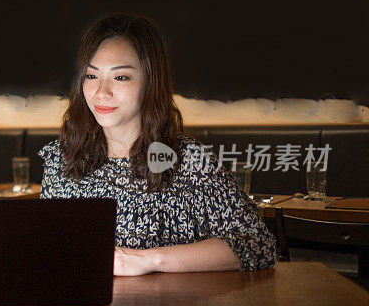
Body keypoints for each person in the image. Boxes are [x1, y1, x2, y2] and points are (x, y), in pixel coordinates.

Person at [39, 14, 275, 276]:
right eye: (91, 76)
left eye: (121, 78)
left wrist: (149, 260)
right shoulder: (61, 158)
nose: (101, 92)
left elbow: (256, 243)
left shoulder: (186, 160)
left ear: (150, 82)